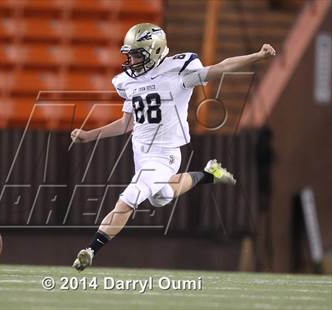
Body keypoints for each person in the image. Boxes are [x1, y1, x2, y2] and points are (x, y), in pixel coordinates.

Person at [70, 23, 276, 271]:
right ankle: (209, 174)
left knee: (128, 200)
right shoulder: (127, 81)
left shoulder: (179, 70)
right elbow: (126, 124)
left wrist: (257, 56)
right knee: (162, 197)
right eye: (130, 54)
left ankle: (90, 250)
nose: (131, 60)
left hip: (165, 154)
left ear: (155, 51)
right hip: (141, 155)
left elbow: (221, 68)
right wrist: (90, 136)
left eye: (137, 54)